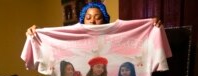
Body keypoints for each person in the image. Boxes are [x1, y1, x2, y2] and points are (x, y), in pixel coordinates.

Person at [26, 2, 162, 36]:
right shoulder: (73, 35)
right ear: (83, 20)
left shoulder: (116, 34)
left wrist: (151, 27)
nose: (92, 21)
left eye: (98, 18)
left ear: (105, 20)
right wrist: (37, 33)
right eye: (88, 17)